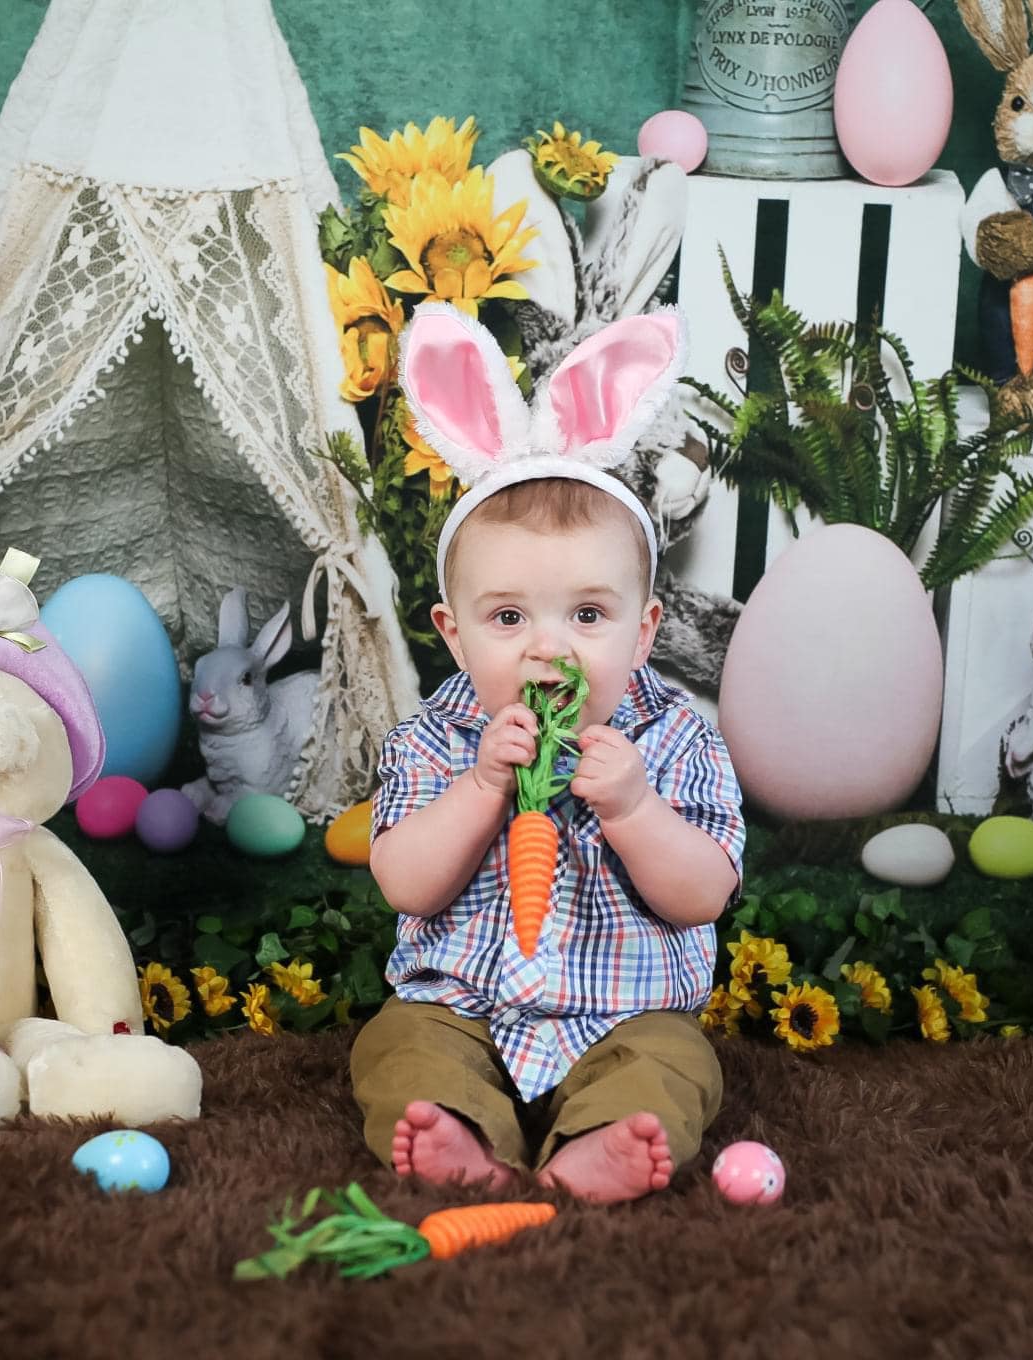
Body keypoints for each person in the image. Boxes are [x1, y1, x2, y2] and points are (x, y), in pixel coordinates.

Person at [349, 302, 745, 1204]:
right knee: (397, 1048)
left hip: (625, 1018)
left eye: (590, 615)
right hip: (461, 1012)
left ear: (644, 634)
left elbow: (703, 895)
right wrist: (484, 784)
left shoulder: (677, 740)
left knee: (677, 1065)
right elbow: (407, 883)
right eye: (510, 617)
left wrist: (637, 812)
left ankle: (599, 1140)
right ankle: (459, 1132)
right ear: (454, 635)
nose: (549, 650)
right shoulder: (431, 740)